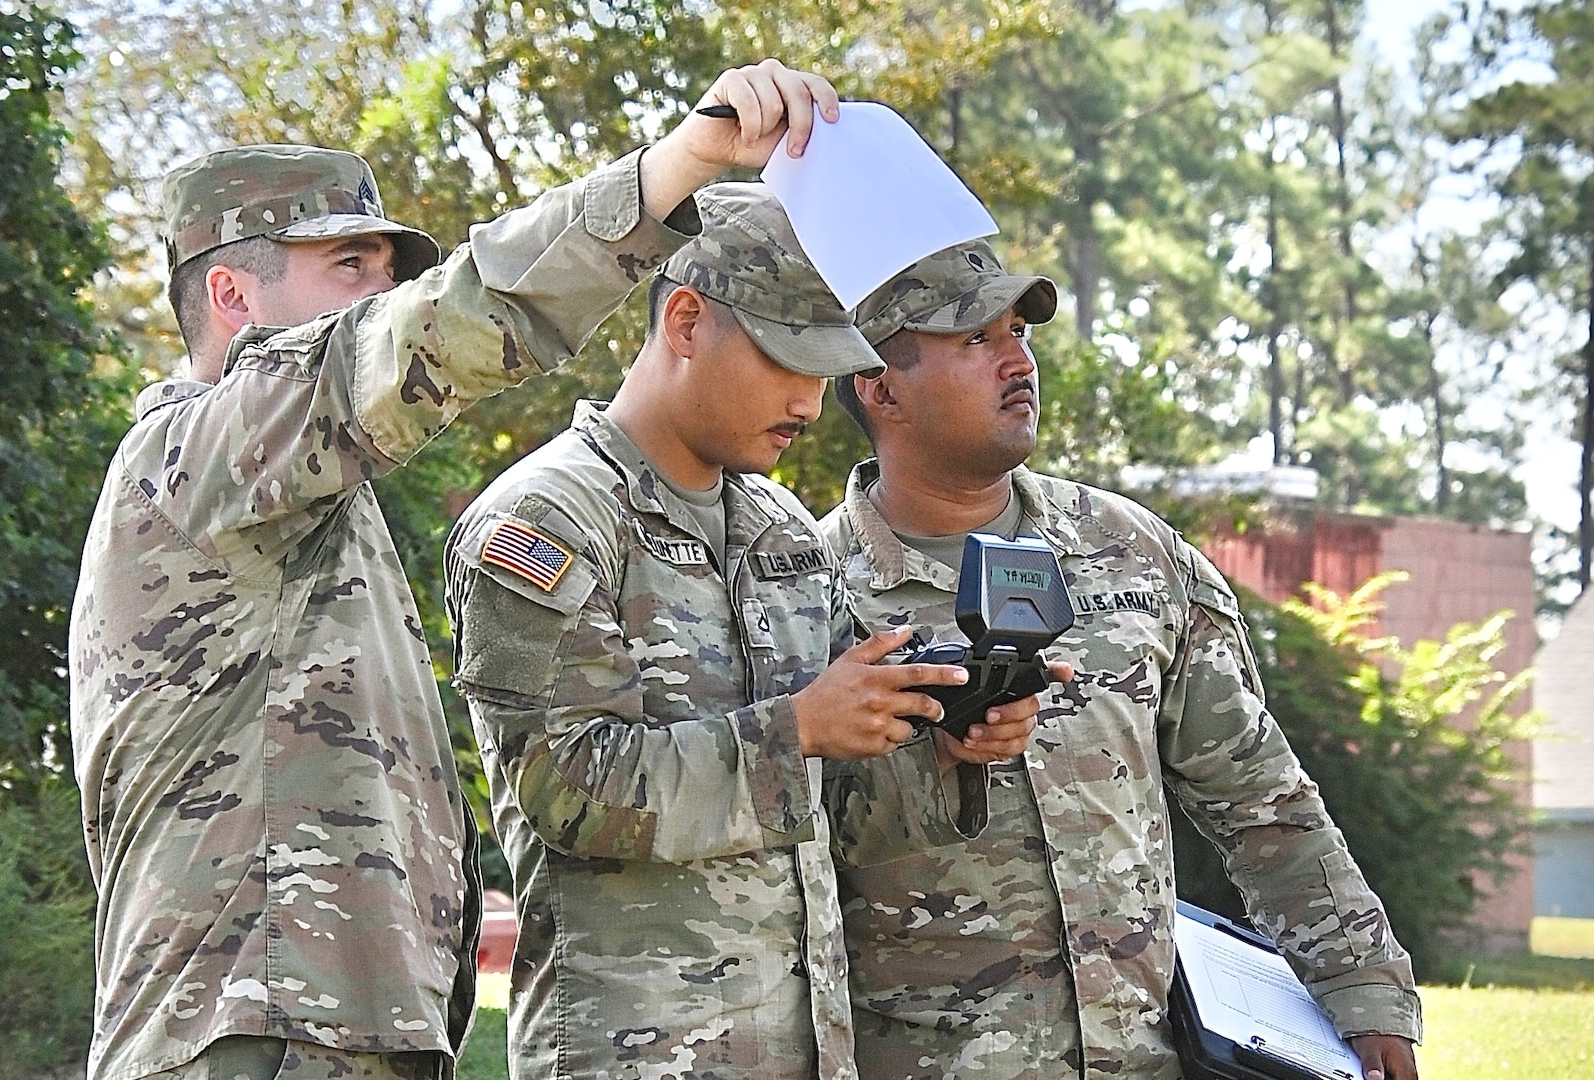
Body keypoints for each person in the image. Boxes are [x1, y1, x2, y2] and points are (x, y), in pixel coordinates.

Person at [69, 60, 848, 1080]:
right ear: (232, 294)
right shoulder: (193, 457)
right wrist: (678, 167)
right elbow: (445, 326)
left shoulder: (298, 506)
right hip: (249, 1032)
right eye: (349, 262)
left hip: (319, 1032)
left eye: (386, 267)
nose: (383, 291)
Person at [442, 183, 1046, 1080]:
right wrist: (794, 731)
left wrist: (947, 745)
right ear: (685, 322)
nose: (810, 403)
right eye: (788, 361)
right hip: (634, 1055)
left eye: (824, 369)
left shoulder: (778, 526)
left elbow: (840, 809)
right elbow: (561, 789)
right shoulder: (547, 521)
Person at [821, 239, 1423, 1080]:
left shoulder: (1133, 552)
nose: (1017, 362)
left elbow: (1258, 797)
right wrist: (933, 762)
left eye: (1018, 332)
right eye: (976, 339)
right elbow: (780, 853)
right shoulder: (805, 593)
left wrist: (1365, 988)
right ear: (881, 387)